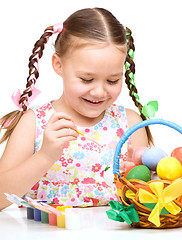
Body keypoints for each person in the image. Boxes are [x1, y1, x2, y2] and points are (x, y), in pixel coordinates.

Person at [0, 7, 154, 210]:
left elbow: (146, 201)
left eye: (112, 80)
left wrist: (136, 180)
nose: (99, 92)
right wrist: (46, 155)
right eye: (86, 79)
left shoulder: (130, 124)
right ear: (59, 65)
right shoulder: (33, 123)